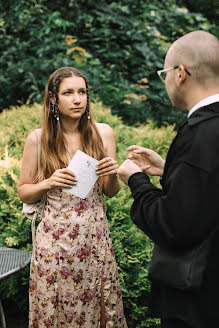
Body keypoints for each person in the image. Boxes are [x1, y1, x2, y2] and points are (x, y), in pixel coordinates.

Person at [117, 30, 219, 328]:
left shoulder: (200, 131)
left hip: (200, 303)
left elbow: (173, 225)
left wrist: (137, 181)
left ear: (181, 73)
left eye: (164, 74)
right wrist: (170, 170)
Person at [17, 67, 127, 328]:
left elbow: (110, 192)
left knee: (100, 309)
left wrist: (111, 174)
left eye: (82, 92)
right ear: (53, 99)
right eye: (68, 93)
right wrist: (48, 183)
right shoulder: (39, 138)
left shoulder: (103, 133)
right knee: (56, 312)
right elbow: (23, 189)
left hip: (94, 240)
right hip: (54, 246)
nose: (77, 99)